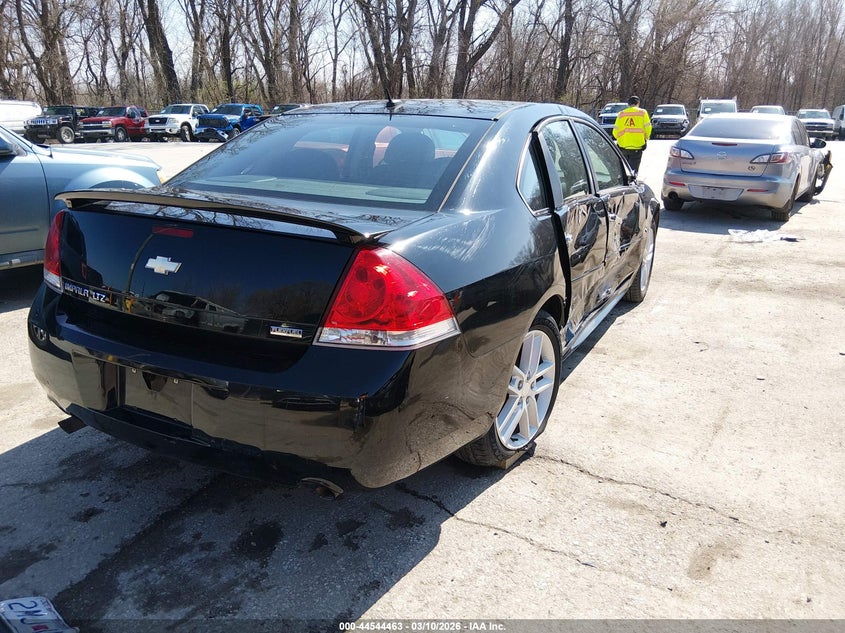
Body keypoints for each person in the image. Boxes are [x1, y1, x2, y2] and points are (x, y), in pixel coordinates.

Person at [612, 95, 652, 174]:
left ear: (628, 104)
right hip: (637, 146)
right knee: (633, 171)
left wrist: (620, 139)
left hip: (623, 146)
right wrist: (646, 138)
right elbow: (648, 128)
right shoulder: (643, 113)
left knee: (623, 171)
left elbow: (615, 132)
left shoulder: (621, 114)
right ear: (638, 103)